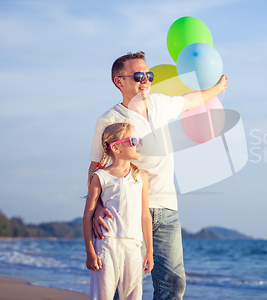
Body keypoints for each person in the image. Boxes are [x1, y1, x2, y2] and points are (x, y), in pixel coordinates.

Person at [88, 51, 227, 300]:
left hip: (167, 208)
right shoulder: (109, 119)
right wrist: (98, 206)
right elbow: (95, 168)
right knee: (126, 285)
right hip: (127, 210)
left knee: (174, 283)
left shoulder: (160, 103)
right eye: (139, 75)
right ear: (119, 81)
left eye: (148, 74)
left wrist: (217, 88)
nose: (146, 80)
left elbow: (190, 100)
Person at [83, 122, 154, 300]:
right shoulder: (100, 176)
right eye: (133, 140)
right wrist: (90, 252)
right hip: (106, 245)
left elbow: (145, 215)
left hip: (133, 245)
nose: (137, 143)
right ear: (116, 147)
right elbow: (87, 216)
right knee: (102, 296)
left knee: (133, 296)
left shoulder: (141, 176)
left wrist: (149, 252)